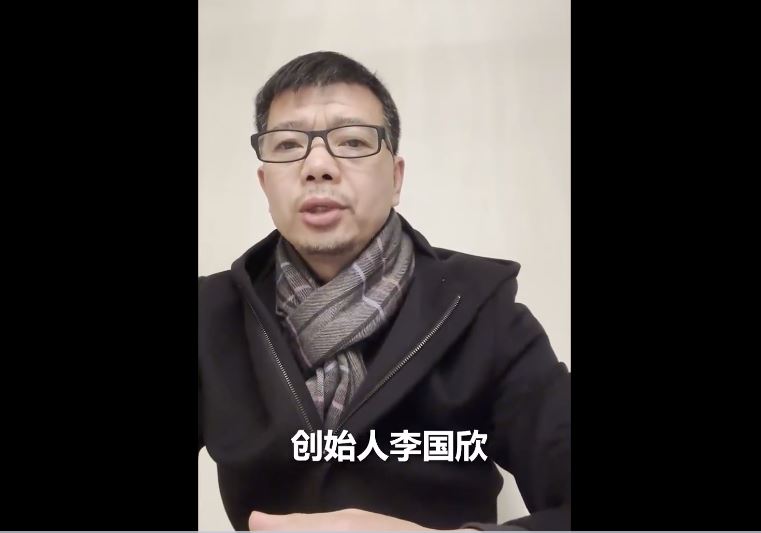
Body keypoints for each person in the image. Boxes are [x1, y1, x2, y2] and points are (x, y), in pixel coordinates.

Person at [198, 51, 570, 531]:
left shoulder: (484, 313)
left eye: (352, 141)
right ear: (265, 183)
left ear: (396, 178)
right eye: (288, 145)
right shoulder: (211, 315)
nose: (317, 166)